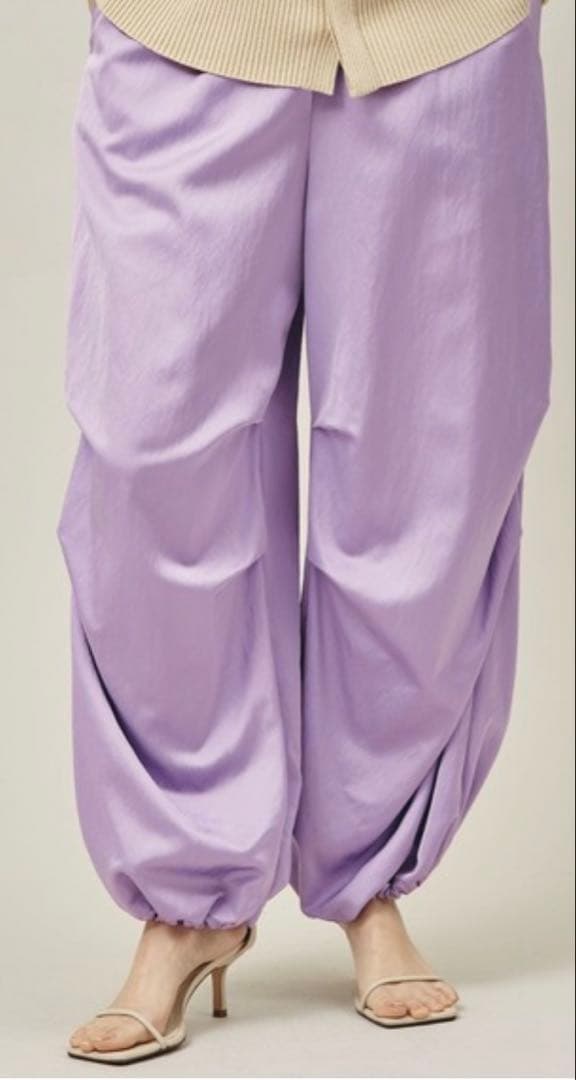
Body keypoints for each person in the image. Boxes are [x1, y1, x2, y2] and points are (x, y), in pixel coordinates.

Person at [59, 0, 553, 1063]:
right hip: (181, 24)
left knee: (428, 469)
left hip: (445, 28)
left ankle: (369, 875)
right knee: (151, 453)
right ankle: (188, 896)